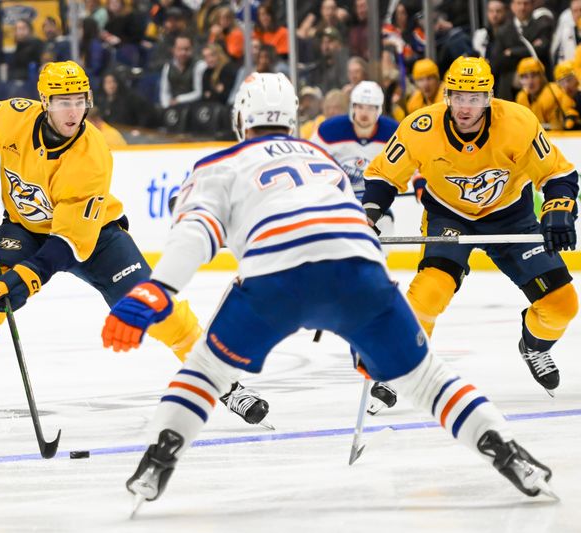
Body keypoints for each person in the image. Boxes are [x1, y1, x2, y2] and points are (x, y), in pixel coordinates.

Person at [100, 73, 555, 511]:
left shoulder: (218, 164)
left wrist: (157, 290)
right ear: (293, 119)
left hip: (276, 276)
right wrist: (369, 324)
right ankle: (504, 446)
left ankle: (161, 454)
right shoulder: (322, 161)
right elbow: (357, 228)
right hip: (359, 275)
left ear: (241, 119)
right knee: (427, 378)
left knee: (205, 370)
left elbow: (196, 233)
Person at [0, 61, 270, 439]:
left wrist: (28, 278)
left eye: (79, 100)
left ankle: (224, 383)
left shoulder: (92, 154)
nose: (74, 111)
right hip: (24, 228)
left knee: (156, 308)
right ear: (44, 102)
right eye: (63, 101)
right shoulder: (13, 117)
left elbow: (68, 243)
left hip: (95, 238)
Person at [363, 56, 578, 396]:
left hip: (511, 217)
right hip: (450, 217)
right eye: (459, 96)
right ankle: (401, 365)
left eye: (475, 97)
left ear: (489, 98)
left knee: (561, 305)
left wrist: (559, 208)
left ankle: (534, 346)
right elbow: (382, 176)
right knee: (428, 294)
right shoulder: (421, 127)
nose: (466, 107)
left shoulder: (518, 122)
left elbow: (558, 173)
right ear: (447, 96)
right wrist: (368, 217)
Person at [309, 80, 401, 414]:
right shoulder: (331, 131)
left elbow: (416, 165)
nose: (364, 114)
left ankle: (374, 356)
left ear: (379, 111)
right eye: (360, 107)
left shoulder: (394, 132)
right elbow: (308, 164)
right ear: (352, 109)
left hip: (378, 213)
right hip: (339, 210)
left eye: (371, 108)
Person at [514, 57, 580, 131]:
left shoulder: (555, 91)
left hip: (560, 137)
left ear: (542, 77)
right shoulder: (521, 97)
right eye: (525, 77)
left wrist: (570, 117)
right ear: (520, 80)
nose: (530, 82)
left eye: (534, 76)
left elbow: (569, 109)